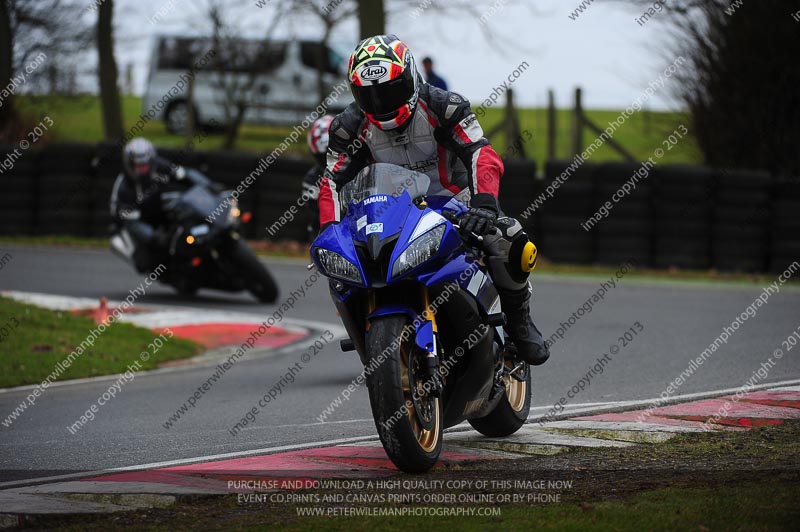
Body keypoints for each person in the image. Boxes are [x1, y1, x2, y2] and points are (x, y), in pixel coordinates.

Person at [317, 35, 549, 366]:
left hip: (454, 202)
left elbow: (480, 153)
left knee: (510, 240)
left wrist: (484, 205)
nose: (380, 101)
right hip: (388, 210)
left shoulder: (445, 106)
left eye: (390, 90)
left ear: (410, 77)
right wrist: (329, 227)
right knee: (341, 266)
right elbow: (331, 180)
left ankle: (520, 324)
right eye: (368, 94)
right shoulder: (347, 127)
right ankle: (363, 332)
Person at [110, 137, 216, 273]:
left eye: (145, 165)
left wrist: (209, 185)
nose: (142, 169)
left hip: (157, 207)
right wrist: (153, 236)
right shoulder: (125, 188)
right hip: (136, 220)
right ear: (129, 165)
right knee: (147, 255)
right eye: (138, 166)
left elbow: (185, 174)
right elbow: (132, 223)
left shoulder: (160, 166)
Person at [303, 115, 334, 241]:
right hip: (326, 232)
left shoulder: (361, 168)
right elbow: (316, 212)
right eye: (324, 157)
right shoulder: (311, 179)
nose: (329, 162)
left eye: (331, 155)